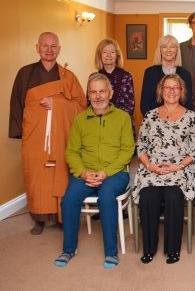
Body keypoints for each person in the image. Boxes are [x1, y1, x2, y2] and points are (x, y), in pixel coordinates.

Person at [9, 32, 86, 235]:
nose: (49, 50)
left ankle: (62, 216)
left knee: (60, 173)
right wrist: (20, 132)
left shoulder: (68, 77)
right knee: (36, 177)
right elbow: (16, 104)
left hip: (61, 135)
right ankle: (39, 218)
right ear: (37, 48)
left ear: (59, 50)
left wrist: (58, 103)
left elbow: (81, 105)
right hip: (34, 135)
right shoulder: (25, 73)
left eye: (54, 46)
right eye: (45, 46)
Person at [54, 73, 135, 268]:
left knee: (106, 197)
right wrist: (82, 173)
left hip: (114, 173)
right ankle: (68, 249)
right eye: (93, 92)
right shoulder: (80, 119)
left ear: (110, 93)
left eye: (102, 91)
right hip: (86, 172)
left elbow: (128, 150)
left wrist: (106, 172)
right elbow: (72, 152)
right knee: (69, 199)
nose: (98, 96)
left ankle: (111, 252)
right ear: (88, 95)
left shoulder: (123, 118)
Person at [133, 74, 195, 265]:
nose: (171, 91)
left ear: (181, 91)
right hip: (152, 167)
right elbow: (141, 146)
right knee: (148, 196)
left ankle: (173, 249)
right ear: (161, 91)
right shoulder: (150, 116)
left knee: (172, 196)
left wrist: (177, 166)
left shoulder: (191, 117)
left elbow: (194, 150)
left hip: (180, 168)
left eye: (175, 87)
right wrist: (149, 165)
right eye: (167, 87)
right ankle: (149, 248)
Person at [141, 35, 192, 115]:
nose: (168, 50)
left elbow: (188, 104)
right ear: (160, 50)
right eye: (164, 47)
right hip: (155, 121)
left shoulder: (186, 75)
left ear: (177, 51)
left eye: (172, 47)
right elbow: (145, 105)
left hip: (180, 121)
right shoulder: (150, 73)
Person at [94, 38, 135, 120]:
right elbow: (90, 104)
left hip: (121, 122)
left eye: (112, 52)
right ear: (99, 55)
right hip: (100, 122)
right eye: (105, 52)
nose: (109, 55)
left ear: (117, 55)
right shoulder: (94, 78)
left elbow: (130, 107)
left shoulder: (126, 76)